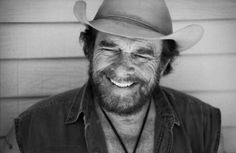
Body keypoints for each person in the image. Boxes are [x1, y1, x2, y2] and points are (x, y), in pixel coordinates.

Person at [14, 0, 221, 153]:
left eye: (141, 54)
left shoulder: (205, 128)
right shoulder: (32, 129)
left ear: (162, 63)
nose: (122, 69)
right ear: (89, 49)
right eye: (110, 49)